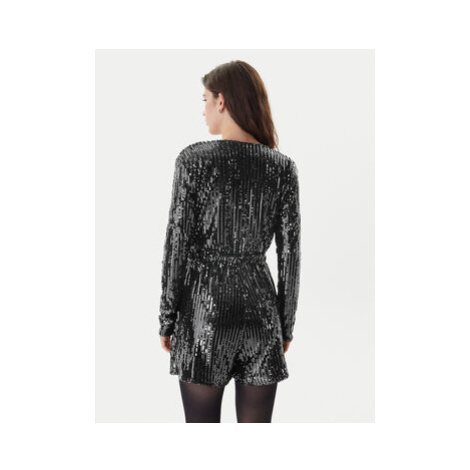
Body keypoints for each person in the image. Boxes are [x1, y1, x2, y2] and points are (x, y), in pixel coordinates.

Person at [158, 60, 301, 423]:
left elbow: (176, 244)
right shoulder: (282, 168)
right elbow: (290, 256)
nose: (204, 109)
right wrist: (285, 324)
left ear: (221, 101)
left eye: (205, 99)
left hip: (203, 312)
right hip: (260, 313)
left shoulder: (193, 161)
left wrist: (167, 318)